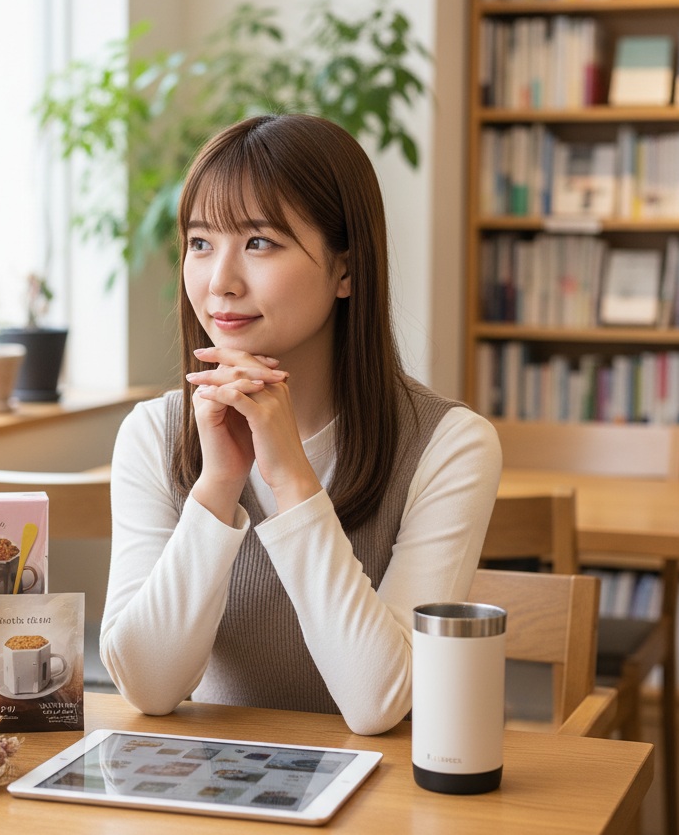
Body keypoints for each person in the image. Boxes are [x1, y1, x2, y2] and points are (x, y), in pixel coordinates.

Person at [99, 113, 502, 735]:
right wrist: (218, 484)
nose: (220, 282)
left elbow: (378, 704)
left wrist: (290, 478)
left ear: (346, 269)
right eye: (201, 243)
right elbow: (149, 689)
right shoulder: (153, 434)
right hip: (211, 798)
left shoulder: (449, 446)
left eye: (260, 242)